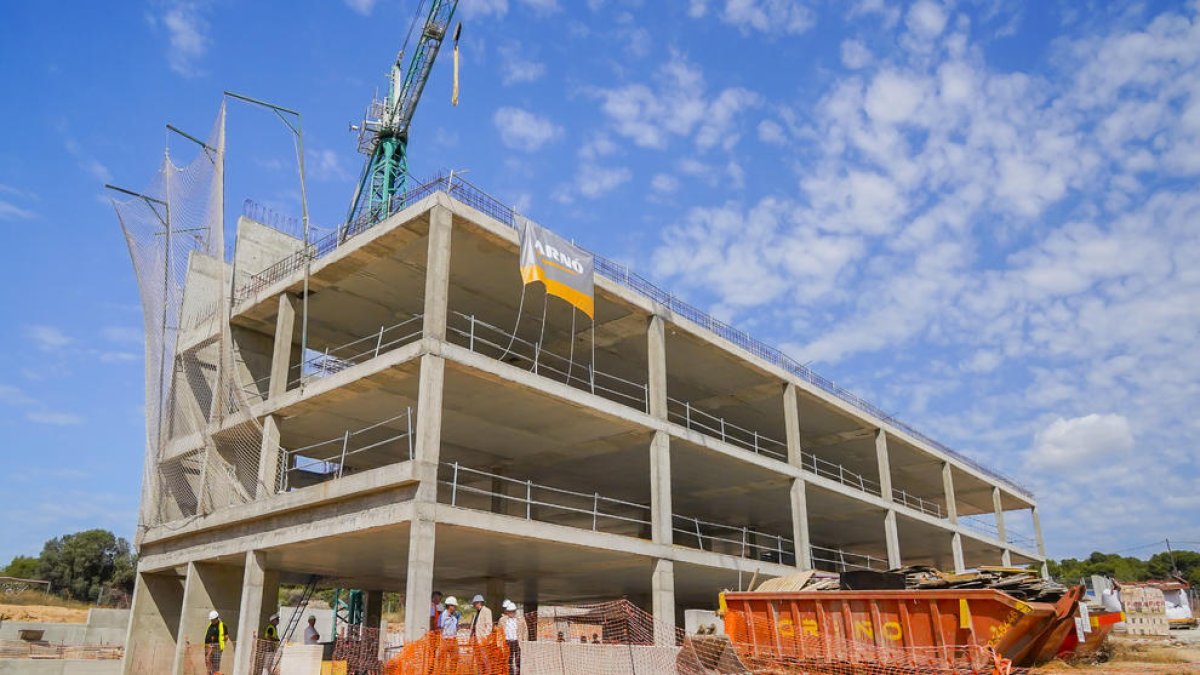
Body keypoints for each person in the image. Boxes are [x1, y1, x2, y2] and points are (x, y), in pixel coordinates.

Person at [439, 596, 462, 673]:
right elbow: (440, 628)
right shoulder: (443, 615)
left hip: (454, 640)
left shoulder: (455, 615)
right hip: (445, 640)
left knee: (455, 659)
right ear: (449, 606)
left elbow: (456, 626)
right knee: (442, 661)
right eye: (454, 606)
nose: (455, 607)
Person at [498, 600, 521, 675]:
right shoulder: (502, 620)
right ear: (507, 612)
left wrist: (523, 640)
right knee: (509, 660)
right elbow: (499, 632)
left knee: (518, 660)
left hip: (517, 641)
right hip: (507, 642)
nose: (511, 613)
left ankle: (518, 673)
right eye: (510, 611)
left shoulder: (520, 620)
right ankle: (510, 673)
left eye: (513, 611)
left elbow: (525, 630)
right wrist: (500, 643)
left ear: (515, 611)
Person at [204, 610, 226, 675]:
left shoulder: (221, 625)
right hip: (208, 647)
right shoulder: (210, 625)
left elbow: (226, 637)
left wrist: (219, 645)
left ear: (216, 618)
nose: (211, 621)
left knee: (215, 666)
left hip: (216, 647)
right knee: (208, 664)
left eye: (212, 620)